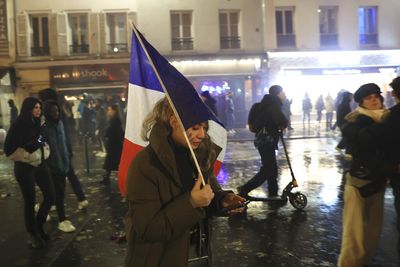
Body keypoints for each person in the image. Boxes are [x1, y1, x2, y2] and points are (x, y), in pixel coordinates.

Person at [124, 97, 246, 266]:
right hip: (159, 259)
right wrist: (191, 203)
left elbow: (209, 194)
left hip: (197, 255)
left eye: (204, 128)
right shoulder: (145, 165)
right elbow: (147, 229)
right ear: (174, 122)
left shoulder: (199, 155)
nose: (202, 135)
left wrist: (222, 200)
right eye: (195, 127)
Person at [338, 83, 389, 267]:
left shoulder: (386, 118)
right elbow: (364, 141)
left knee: (372, 236)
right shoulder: (357, 121)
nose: (374, 99)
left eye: (377, 96)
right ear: (361, 102)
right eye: (369, 98)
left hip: (378, 183)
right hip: (358, 184)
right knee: (354, 238)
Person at [4, 97, 55, 248]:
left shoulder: (40, 124)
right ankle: (32, 234)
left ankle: (38, 226)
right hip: (24, 167)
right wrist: (31, 150)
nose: (38, 110)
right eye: (35, 107)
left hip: (40, 164)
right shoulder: (18, 125)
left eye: (39, 107)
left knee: (51, 196)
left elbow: (40, 142)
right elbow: (9, 149)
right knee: (30, 201)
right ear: (28, 109)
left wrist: (41, 146)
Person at [38, 88, 88, 210]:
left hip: (54, 152)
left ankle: (56, 206)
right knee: (70, 174)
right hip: (64, 148)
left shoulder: (48, 111)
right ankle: (81, 198)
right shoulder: (59, 109)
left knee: (54, 178)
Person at [237, 85, 288, 198]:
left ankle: (273, 193)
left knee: (272, 167)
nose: (284, 94)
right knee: (268, 169)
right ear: (278, 93)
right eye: (283, 92)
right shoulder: (273, 104)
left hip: (263, 141)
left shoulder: (265, 103)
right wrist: (284, 124)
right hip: (268, 141)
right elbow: (282, 120)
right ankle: (245, 188)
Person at [42, 100, 76, 233]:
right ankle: (62, 220)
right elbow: (39, 142)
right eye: (52, 111)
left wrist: (69, 155)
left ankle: (43, 213)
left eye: (56, 111)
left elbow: (65, 141)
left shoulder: (60, 124)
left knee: (55, 195)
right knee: (58, 195)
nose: (55, 113)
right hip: (51, 167)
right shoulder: (44, 128)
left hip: (63, 165)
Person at [102, 104, 124, 182]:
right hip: (113, 145)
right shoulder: (113, 120)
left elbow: (118, 133)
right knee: (110, 163)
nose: (108, 111)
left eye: (110, 110)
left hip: (115, 146)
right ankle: (106, 178)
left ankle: (122, 178)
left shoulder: (116, 121)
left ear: (114, 111)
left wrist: (107, 133)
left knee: (113, 163)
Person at [335, 91, 353, 156]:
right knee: (348, 137)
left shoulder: (344, 103)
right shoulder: (344, 104)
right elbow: (343, 116)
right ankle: (347, 152)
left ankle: (340, 148)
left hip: (343, 124)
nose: (352, 98)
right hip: (344, 124)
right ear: (347, 97)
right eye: (350, 96)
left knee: (346, 137)